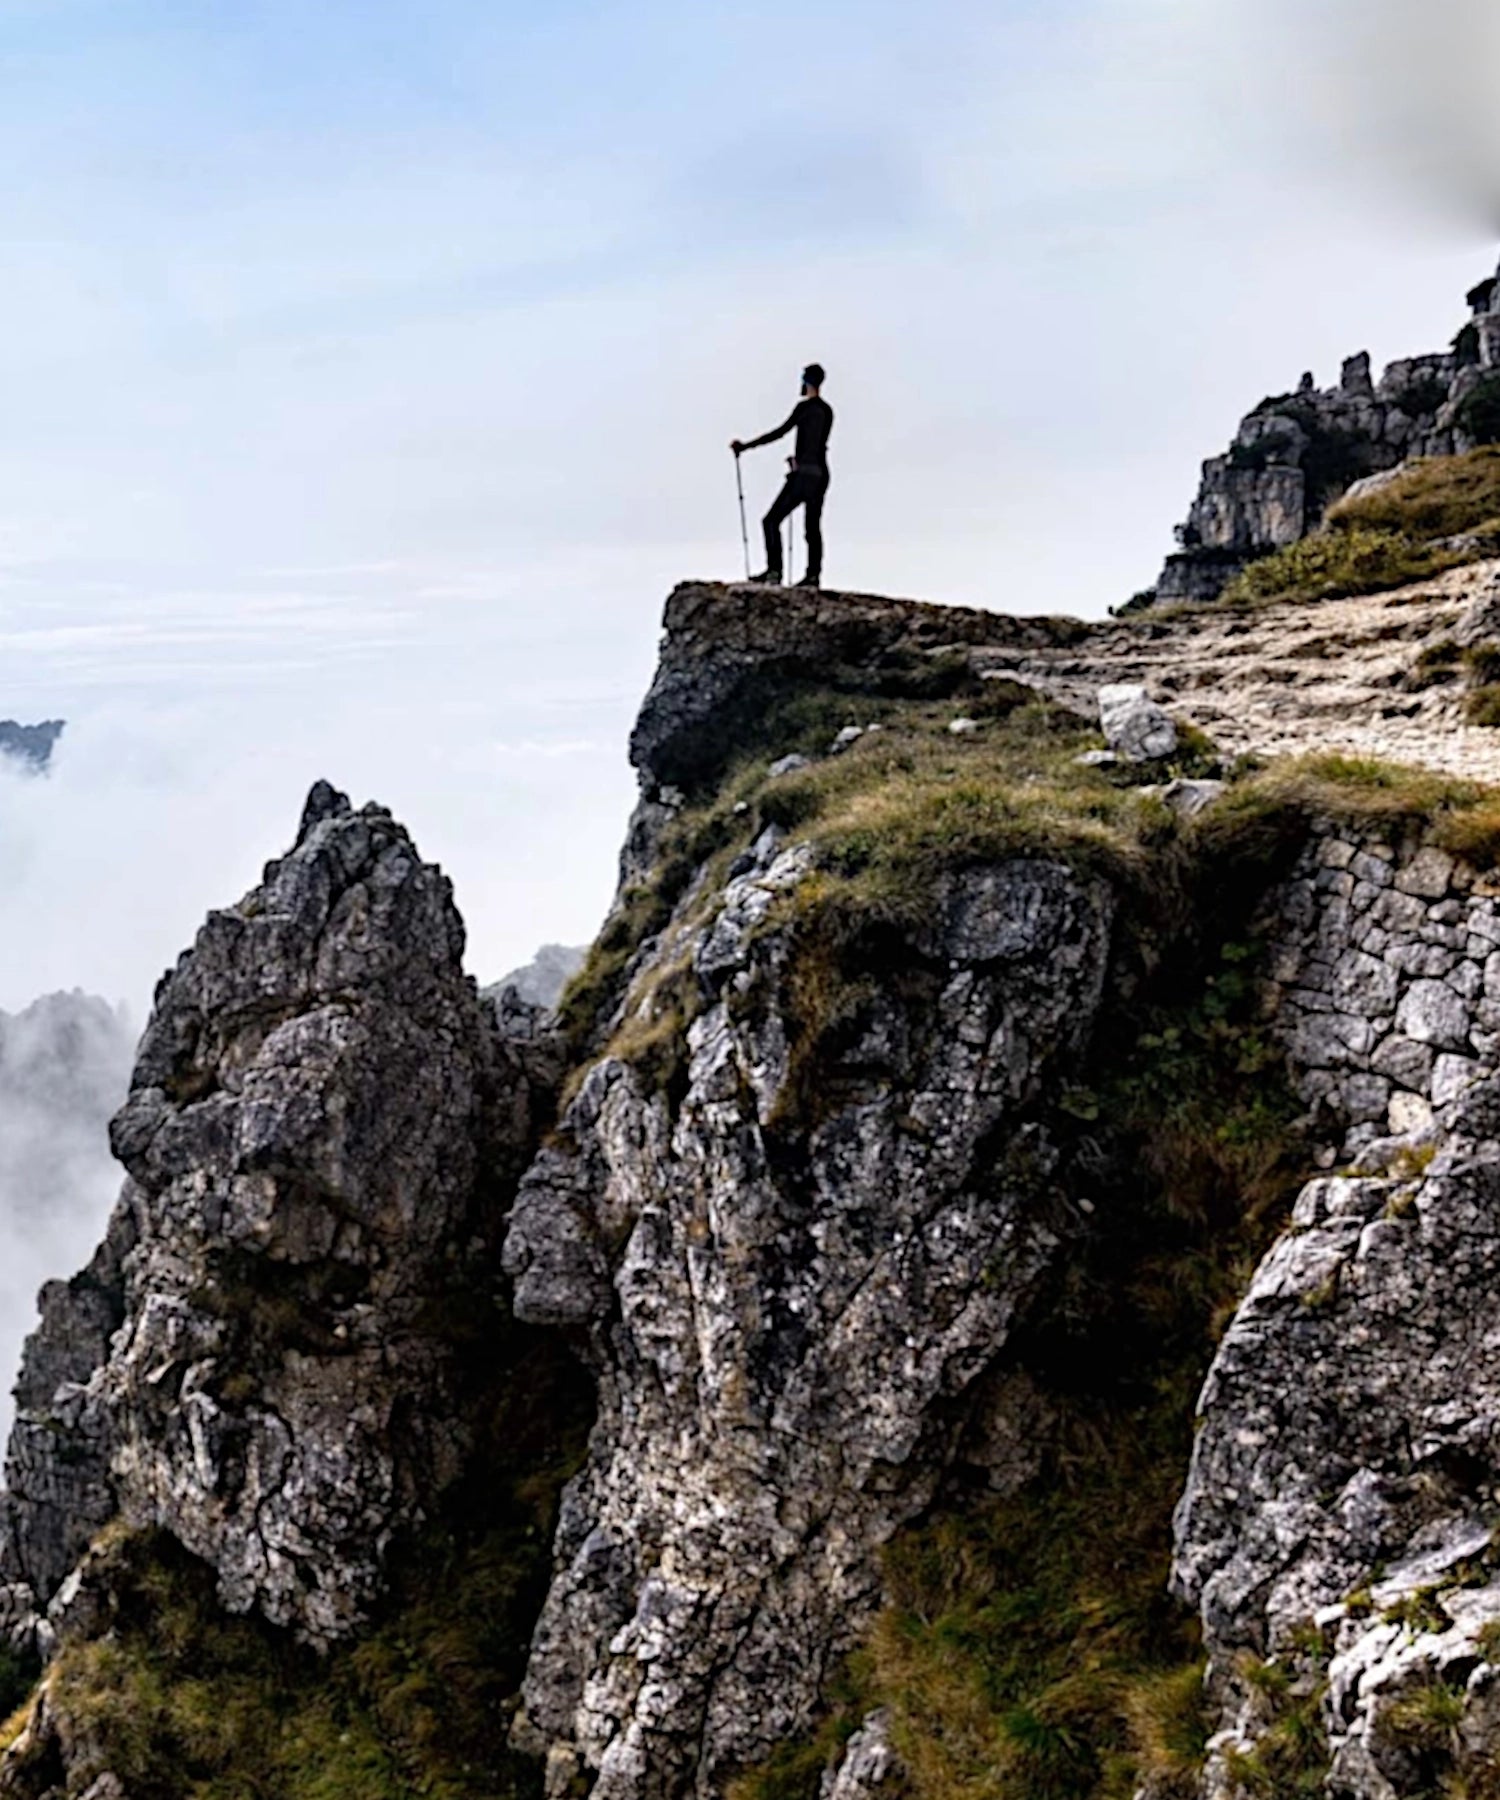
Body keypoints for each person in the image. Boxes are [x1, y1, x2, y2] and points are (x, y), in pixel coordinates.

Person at [731, 364, 833, 588]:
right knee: (812, 527)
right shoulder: (827, 411)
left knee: (771, 521)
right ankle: (813, 576)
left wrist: (746, 446)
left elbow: (780, 432)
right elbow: (817, 443)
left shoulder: (803, 409)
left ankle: (774, 571)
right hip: (821, 475)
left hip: (804, 475)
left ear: (805, 382)